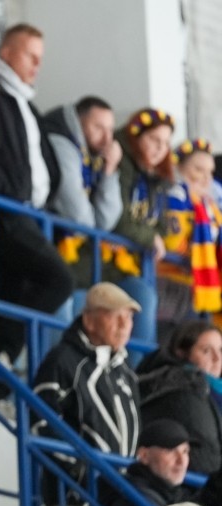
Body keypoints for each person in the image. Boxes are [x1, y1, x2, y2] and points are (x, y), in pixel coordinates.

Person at [0, 24, 73, 394]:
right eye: (31, 56)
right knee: (58, 280)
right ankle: (0, 354)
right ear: (7, 52)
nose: (37, 65)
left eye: (40, 58)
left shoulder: (27, 105)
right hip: (3, 212)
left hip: (30, 215)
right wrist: (7, 190)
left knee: (10, 300)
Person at [32, 281, 141, 506]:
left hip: (118, 498)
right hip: (75, 494)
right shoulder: (63, 359)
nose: (124, 325)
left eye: (129, 318)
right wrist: (80, 471)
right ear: (90, 320)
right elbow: (41, 423)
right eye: (115, 316)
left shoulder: (126, 371)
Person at [95, 108, 176, 346]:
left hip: (134, 267)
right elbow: (118, 220)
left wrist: (152, 236)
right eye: (154, 139)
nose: (160, 148)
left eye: (165, 143)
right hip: (101, 262)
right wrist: (149, 238)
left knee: (147, 299)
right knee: (143, 298)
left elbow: (163, 227)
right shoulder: (122, 163)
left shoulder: (158, 177)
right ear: (135, 137)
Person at [43, 96, 124, 290]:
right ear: (78, 122)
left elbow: (106, 222)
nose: (107, 139)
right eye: (98, 128)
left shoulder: (98, 152)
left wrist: (110, 170)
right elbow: (79, 218)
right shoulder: (60, 140)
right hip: (50, 239)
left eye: (110, 130)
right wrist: (94, 226)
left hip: (75, 246)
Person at [136, 320, 222, 475]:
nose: (217, 358)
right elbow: (206, 458)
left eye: (220, 350)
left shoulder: (208, 391)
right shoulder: (185, 392)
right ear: (181, 353)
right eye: (206, 351)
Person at [160, 139, 222, 337]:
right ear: (179, 169)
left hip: (198, 287)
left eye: (210, 172)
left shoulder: (210, 208)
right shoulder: (174, 196)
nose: (206, 178)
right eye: (198, 170)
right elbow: (172, 242)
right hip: (168, 282)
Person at [100, 419, 192, 506]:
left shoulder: (175, 495)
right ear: (144, 455)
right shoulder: (130, 501)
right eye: (170, 451)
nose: (181, 461)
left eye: (185, 451)